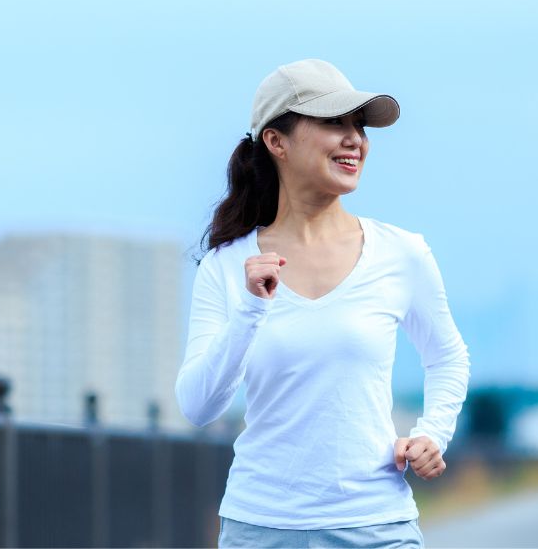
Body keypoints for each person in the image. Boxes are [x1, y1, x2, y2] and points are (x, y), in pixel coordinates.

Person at [175, 59, 471, 548]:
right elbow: (199, 406)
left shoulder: (402, 252)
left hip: (378, 527)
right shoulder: (228, 266)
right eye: (335, 122)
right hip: (261, 529)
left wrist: (432, 433)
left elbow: (448, 356)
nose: (355, 139)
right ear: (277, 142)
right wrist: (251, 309)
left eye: (359, 126)